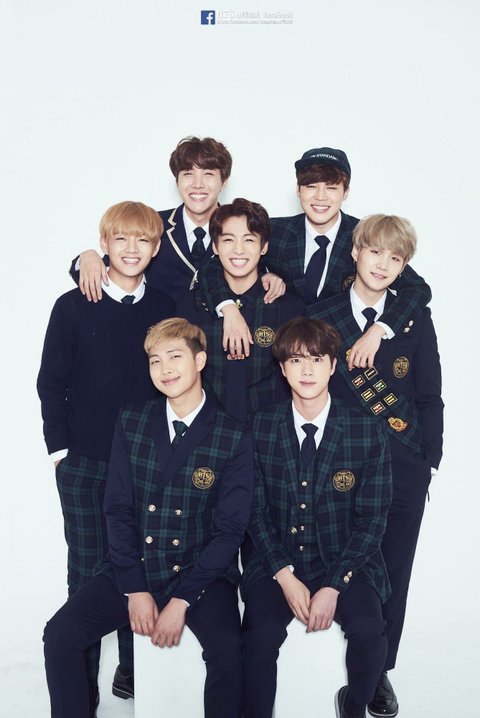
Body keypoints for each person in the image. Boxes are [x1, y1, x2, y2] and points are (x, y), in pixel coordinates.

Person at [43, 317, 254, 718]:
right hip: (136, 565)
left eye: (175, 357)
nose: (165, 369)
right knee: (60, 635)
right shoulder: (133, 420)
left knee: (229, 651)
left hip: (201, 575)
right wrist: (134, 588)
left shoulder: (233, 434)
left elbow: (230, 531)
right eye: (155, 361)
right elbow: (117, 508)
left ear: (200, 360)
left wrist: (182, 599)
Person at [37, 201, 175, 711]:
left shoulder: (165, 307)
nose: (131, 249)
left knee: (139, 568)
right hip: (86, 464)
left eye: (143, 241)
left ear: (155, 249)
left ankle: (134, 673)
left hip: (145, 466)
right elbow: (51, 382)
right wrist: (61, 453)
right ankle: (82, 692)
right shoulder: (73, 305)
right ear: (104, 245)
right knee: (86, 573)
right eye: (121, 239)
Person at [308, 214, 443, 717]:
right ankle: (345, 653)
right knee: (346, 559)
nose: (383, 264)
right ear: (355, 252)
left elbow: (428, 394)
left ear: (404, 266)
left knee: (396, 567)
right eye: (375, 252)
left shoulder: (413, 318)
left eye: (395, 258)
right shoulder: (321, 316)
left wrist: (429, 460)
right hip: (340, 464)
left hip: (403, 463)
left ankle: (379, 669)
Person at [241, 317, 393, 718]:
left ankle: (354, 704)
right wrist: (283, 574)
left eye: (316, 359)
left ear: (333, 365)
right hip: (276, 561)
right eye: (296, 360)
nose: (306, 370)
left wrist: (334, 584)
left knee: (369, 631)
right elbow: (253, 510)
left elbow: (372, 520)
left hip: (345, 558)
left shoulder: (366, 430)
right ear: (282, 368)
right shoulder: (260, 427)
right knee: (257, 637)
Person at [200, 147, 431, 366]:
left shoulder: (364, 239)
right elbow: (215, 265)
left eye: (331, 188)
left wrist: (379, 329)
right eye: (311, 186)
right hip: (285, 358)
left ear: (346, 192)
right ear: (298, 190)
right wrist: (229, 307)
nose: (320, 197)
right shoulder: (278, 232)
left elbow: (418, 289)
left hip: (345, 358)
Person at [177, 197, 304, 421]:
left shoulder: (288, 308)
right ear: (214, 246)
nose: (238, 250)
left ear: (264, 247)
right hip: (207, 429)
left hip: (270, 428)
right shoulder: (190, 307)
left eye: (249, 240)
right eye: (228, 240)